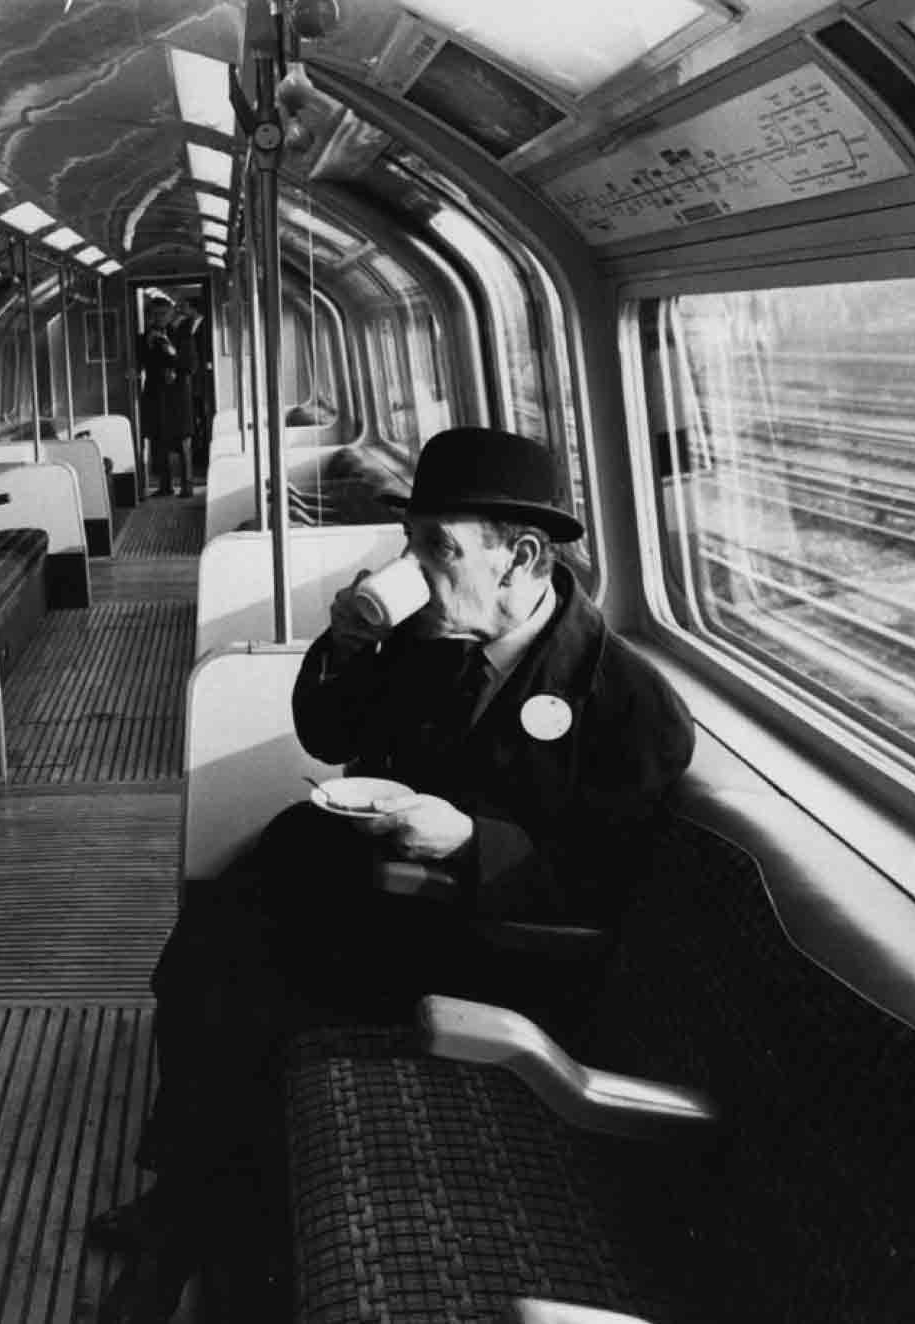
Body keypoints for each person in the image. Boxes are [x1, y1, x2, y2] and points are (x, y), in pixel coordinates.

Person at [92, 426, 696, 1323]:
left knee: (263, 999)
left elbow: (600, 887)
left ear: (520, 555)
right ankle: (186, 1201)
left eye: (437, 548)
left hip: (484, 951)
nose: (415, 567)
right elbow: (331, 736)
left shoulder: (626, 703)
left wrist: (473, 842)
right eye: (412, 544)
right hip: (376, 895)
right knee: (203, 952)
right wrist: (342, 645)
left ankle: (200, 1235)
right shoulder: (429, 635)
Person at [136, 299, 190, 498]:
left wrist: (172, 358)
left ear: (170, 315)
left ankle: (187, 486)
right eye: (155, 314)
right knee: (159, 441)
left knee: (183, 441)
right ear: (150, 316)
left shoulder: (181, 336)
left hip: (177, 396)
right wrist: (149, 346)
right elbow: (140, 362)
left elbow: (190, 364)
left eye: (163, 314)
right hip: (155, 395)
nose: (159, 318)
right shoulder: (144, 338)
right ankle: (165, 486)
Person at [171, 300, 213, 485]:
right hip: (191, 382)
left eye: (184, 307)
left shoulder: (202, 324)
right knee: (193, 420)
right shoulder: (185, 325)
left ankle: (202, 456)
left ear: (192, 308)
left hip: (201, 380)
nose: (182, 310)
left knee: (202, 418)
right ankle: (197, 455)